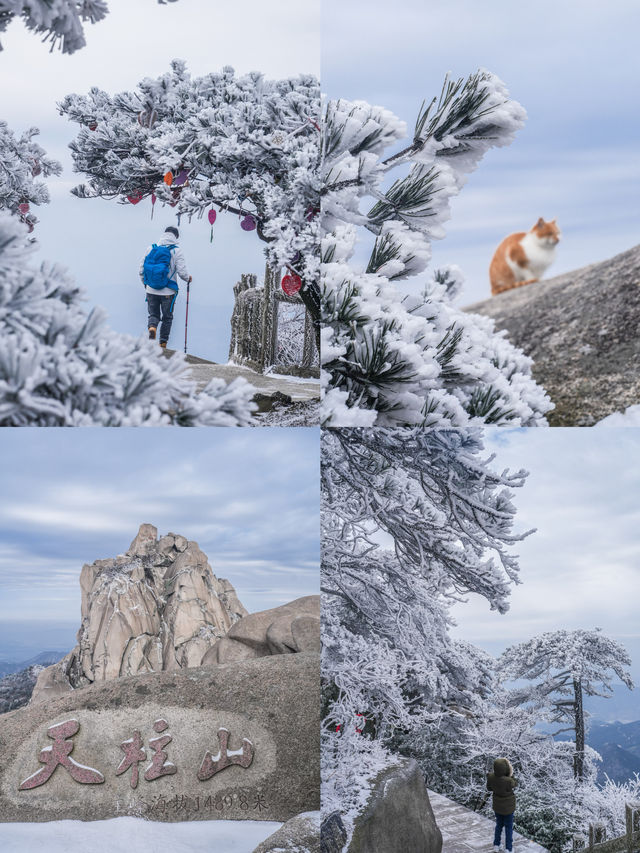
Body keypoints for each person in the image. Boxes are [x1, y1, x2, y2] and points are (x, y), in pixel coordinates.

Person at [139, 226, 192, 349]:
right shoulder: (176, 251)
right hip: (168, 291)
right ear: (176, 237)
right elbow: (182, 272)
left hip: (151, 289)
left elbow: (141, 269)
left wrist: (146, 284)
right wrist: (188, 278)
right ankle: (163, 343)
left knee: (153, 315)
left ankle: (152, 328)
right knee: (167, 317)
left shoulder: (151, 248)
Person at [486, 757, 517, 852]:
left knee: (499, 825)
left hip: (497, 806)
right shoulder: (508, 781)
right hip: (508, 808)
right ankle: (508, 848)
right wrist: (511, 775)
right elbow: (515, 784)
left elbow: (489, 788)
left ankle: (496, 844)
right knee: (508, 827)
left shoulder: (490, 777)